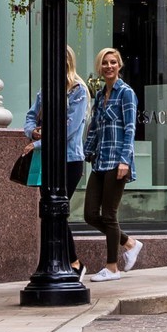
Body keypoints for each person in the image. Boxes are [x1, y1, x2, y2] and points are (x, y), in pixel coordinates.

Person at [24, 48, 89, 277]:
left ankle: (74, 263)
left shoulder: (78, 90)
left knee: (58, 211)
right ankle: (59, 263)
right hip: (48, 160)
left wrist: (39, 144)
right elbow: (31, 115)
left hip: (69, 160)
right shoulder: (46, 90)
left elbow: (69, 130)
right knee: (49, 211)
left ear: (68, 62)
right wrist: (32, 132)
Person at [83, 47, 142, 279]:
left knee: (109, 215)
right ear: (100, 67)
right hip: (100, 161)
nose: (109, 66)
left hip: (118, 161)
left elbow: (130, 129)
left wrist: (125, 160)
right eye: (105, 63)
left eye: (113, 62)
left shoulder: (126, 93)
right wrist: (87, 153)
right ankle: (129, 243)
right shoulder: (99, 95)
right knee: (89, 214)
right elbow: (94, 128)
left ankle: (112, 267)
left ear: (119, 65)